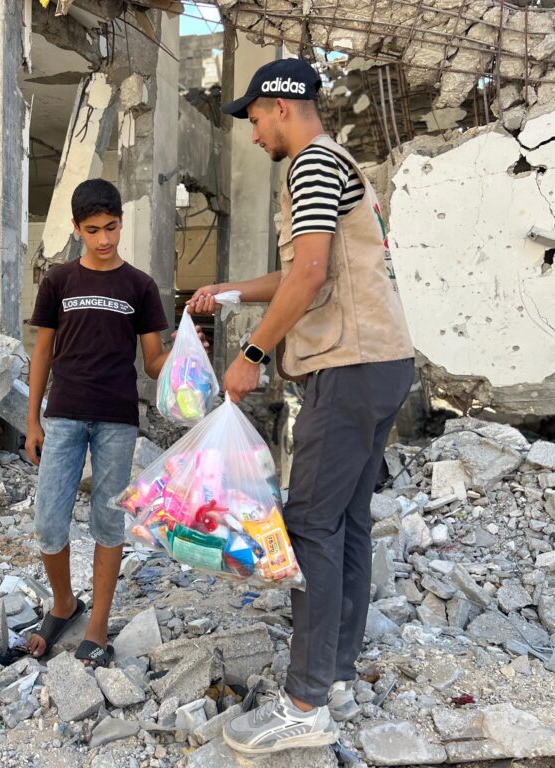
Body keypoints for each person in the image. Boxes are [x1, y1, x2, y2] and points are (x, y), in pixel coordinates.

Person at [188, 58, 415, 755]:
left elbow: (310, 274)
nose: (254, 134)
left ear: (281, 106)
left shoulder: (311, 164)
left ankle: (304, 704)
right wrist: (228, 292)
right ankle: (335, 669)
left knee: (310, 525)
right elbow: (303, 269)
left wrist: (250, 354)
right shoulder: (337, 163)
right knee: (344, 521)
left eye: (255, 119)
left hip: (347, 367)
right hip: (381, 362)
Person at [24, 178, 204, 668]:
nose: (104, 239)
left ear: (121, 223)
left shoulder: (139, 286)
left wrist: (184, 352)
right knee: (48, 521)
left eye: (111, 227)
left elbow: (153, 363)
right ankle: (64, 604)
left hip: (117, 421)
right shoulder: (59, 281)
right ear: (76, 228)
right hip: (63, 416)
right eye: (93, 230)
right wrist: (32, 419)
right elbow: (42, 352)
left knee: (107, 520)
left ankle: (98, 625)